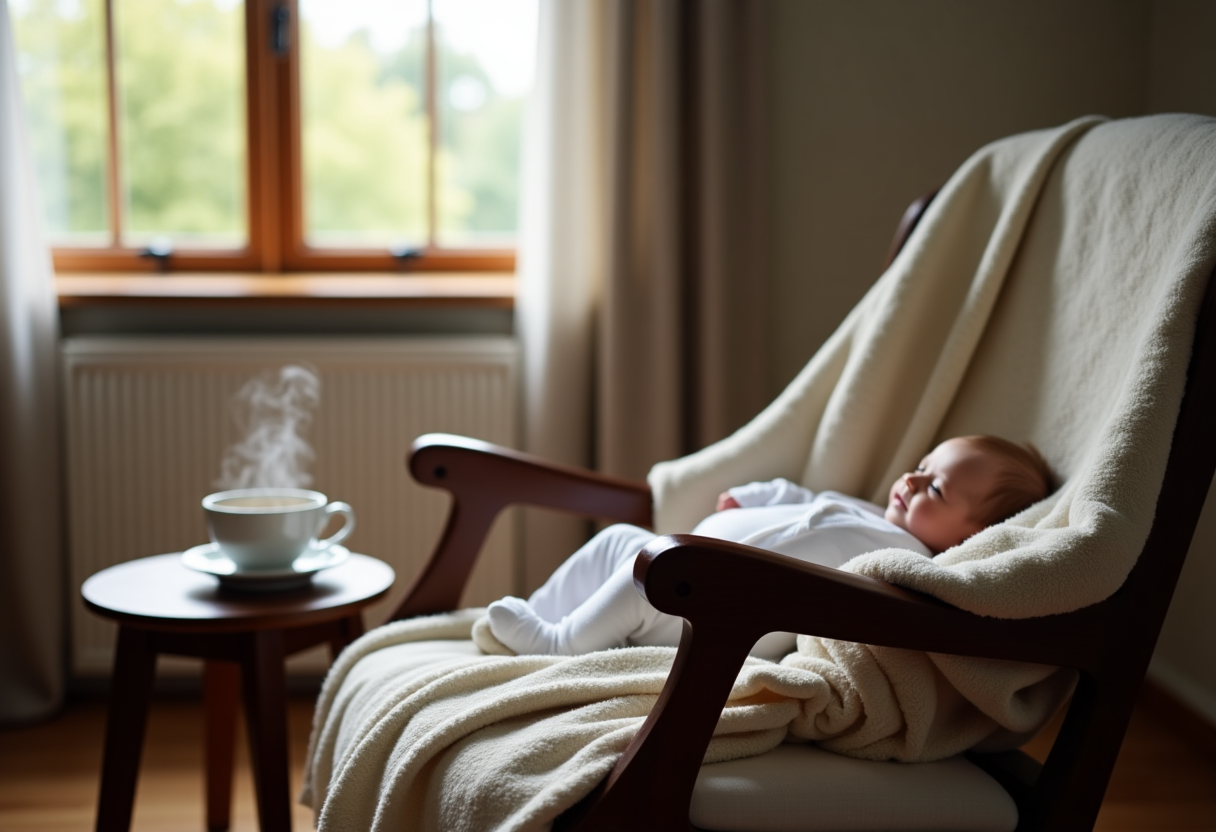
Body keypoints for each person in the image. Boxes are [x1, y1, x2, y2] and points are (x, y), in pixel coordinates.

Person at [486, 436, 1053, 658]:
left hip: (714, 613)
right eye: (919, 466)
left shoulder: (910, 566)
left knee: (645, 571)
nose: (908, 480)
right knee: (618, 542)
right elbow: (804, 497)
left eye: (934, 487)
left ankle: (560, 645)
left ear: (968, 538)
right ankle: (547, 609)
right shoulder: (865, 510)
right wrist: (757, 496)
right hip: (690, 568)